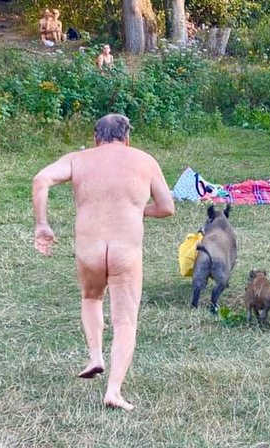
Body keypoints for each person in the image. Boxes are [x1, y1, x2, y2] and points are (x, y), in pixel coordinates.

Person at [32, 114, 175, 411]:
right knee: (125, 321)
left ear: (96, 138)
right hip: (126, 251)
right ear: (127, 138)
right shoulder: (145, 161)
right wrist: (136, 209)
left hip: (90, 249)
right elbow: (167, 207)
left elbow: (41, 179)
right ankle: (113, 390)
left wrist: (42, 224)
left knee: (91, 297)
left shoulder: (78, 159)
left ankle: (95, 356)